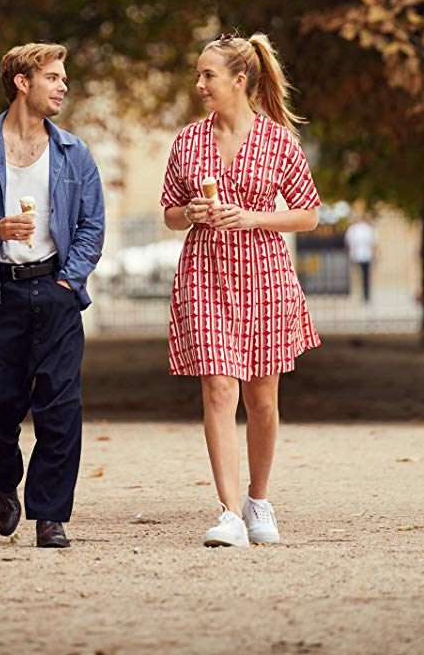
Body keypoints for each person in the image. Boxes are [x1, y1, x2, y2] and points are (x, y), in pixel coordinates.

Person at [0, 42, 104, 549]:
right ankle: (4, 481)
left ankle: (50, 515)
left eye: (63, 77)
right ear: (22, 83)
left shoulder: (74, 152)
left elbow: (93, 226)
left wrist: (69, 283)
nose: (63, 86)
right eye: (52, 77)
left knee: (61, 407)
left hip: (55, 291)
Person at [161, 32, 320, 547]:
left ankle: (258, 501)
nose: (200, 84)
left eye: (208, 75)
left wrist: (253, 216)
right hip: (204, 271)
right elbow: (168, 212)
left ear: (239, 79)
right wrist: (191, 212)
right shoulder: (188, 141)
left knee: (262, 399)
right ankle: (229, 513)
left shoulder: (279, 141)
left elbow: (309, 214)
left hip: (265, 275)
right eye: (199, 74)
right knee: (218, 387)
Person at [344, 215, 378, 302]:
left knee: (358, 277)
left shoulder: (354, 229)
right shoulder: (368, 229)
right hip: (364, 255)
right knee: (365, 277)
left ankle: (360, 294)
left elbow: (348, 243)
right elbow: (374, 244)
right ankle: (365, 295)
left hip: (358, 255)